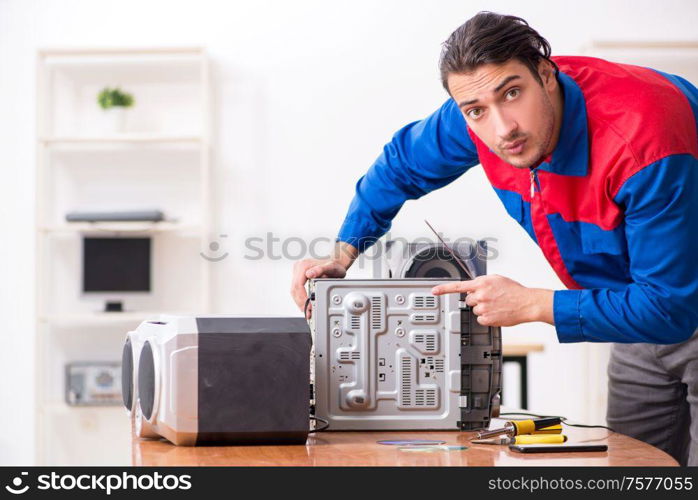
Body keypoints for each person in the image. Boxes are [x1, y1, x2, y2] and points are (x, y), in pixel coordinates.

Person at [290, 12, 698, 465]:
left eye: (512, 93)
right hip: (637, 312)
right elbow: (399, 166)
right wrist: (344, 253)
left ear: (545, 73)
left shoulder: (647, 142)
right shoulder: (478, 111)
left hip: (670, 301)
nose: (503, 129)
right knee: (636, 469)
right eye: (477, 110)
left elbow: (671, 308)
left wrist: (532, 304)